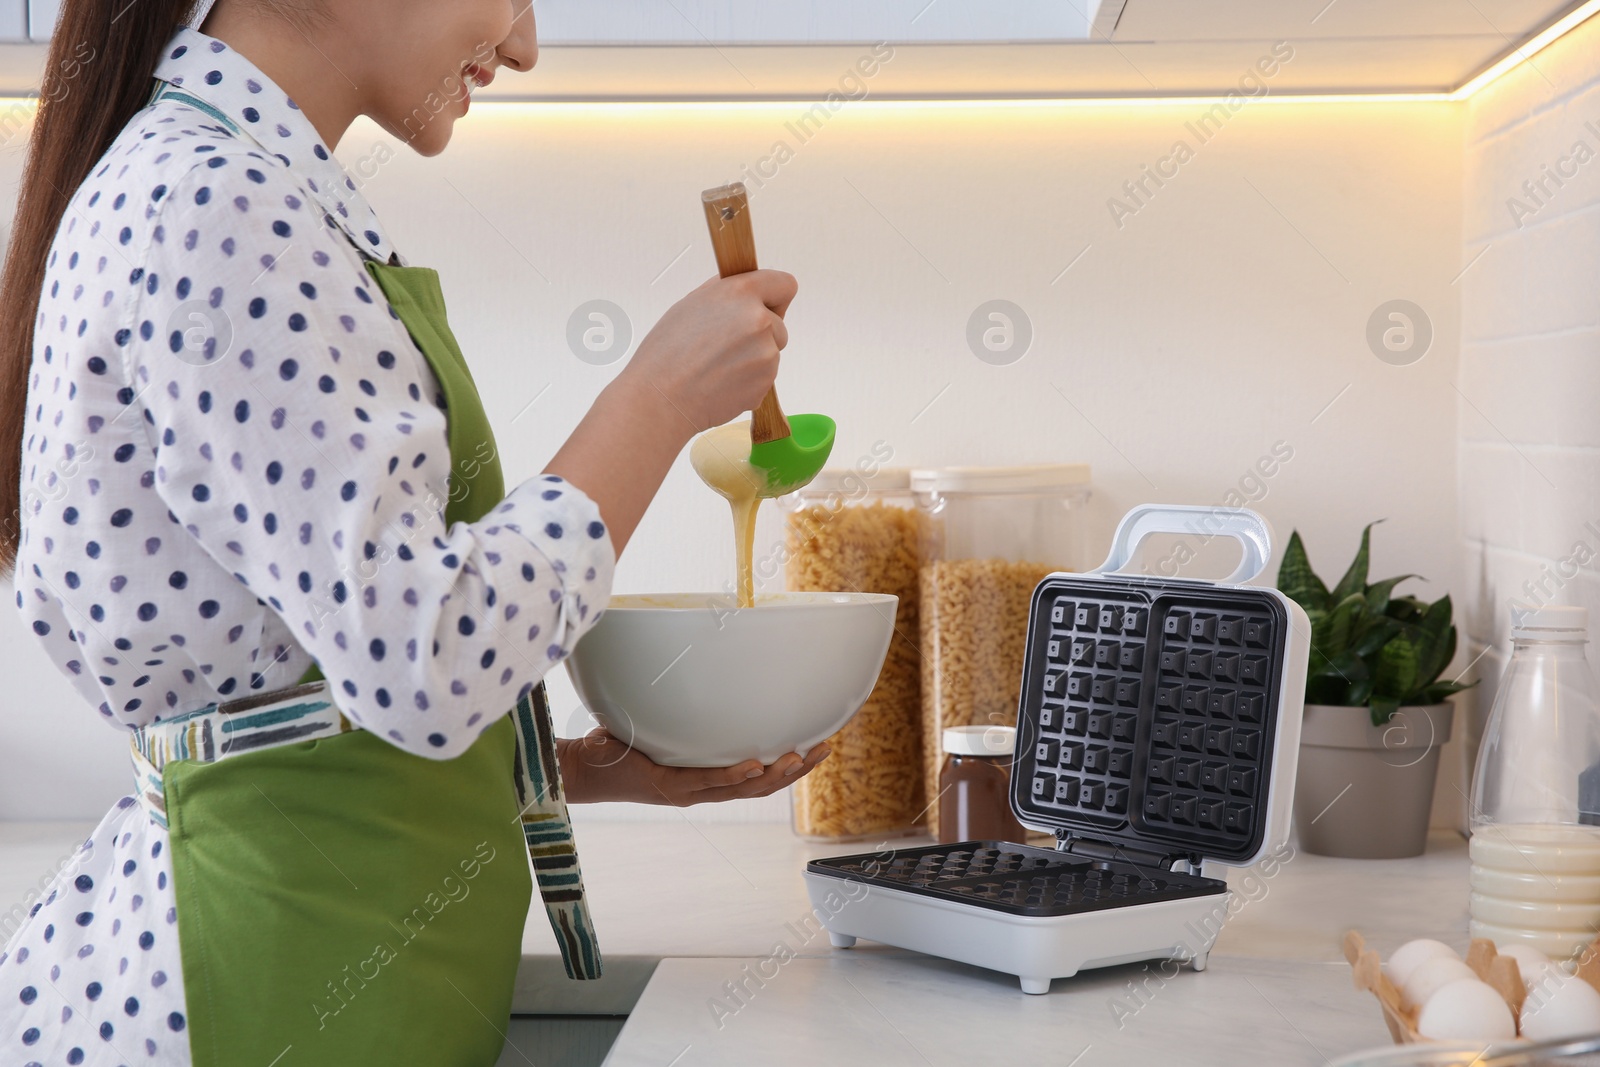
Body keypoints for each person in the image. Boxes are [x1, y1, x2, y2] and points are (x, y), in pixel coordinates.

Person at [0, 0, 827, 1062]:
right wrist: (657, 399)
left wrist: (563, 764)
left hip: (297, 941)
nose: (525, 45)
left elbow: (315, 696)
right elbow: (421, 657)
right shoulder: (212, 207)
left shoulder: (239, 188)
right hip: (258, 974)